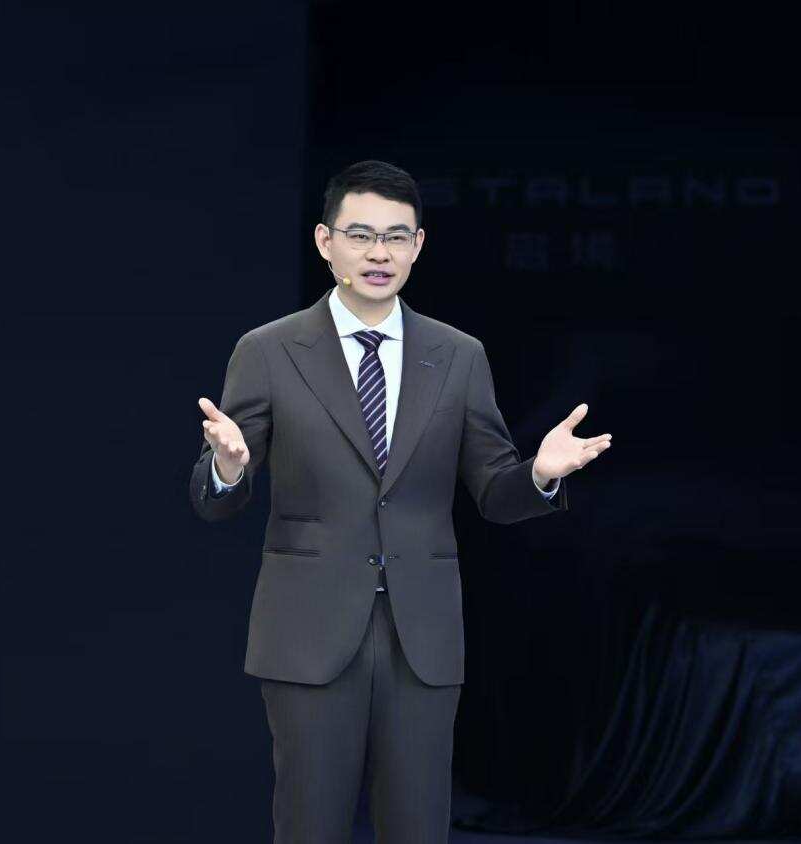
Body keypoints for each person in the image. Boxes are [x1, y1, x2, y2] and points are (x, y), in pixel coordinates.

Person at [189, 160, 611, 842]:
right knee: (309, 825)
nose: (378, 252)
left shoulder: (458, 355)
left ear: (418, 246)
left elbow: (494, 491)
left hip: (423, 632)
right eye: (360, 235)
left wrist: (538, 474)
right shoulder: (268, 350)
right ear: (326, 242)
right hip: (309, 630)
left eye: (395, 236)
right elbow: (214, 501)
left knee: (417, 826)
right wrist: (229, 469)